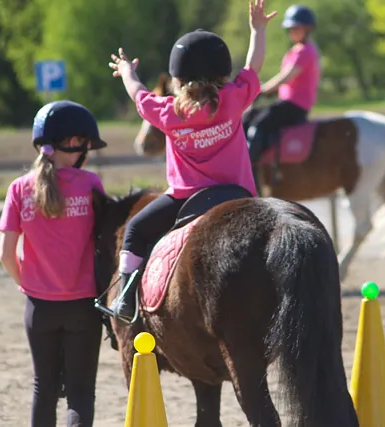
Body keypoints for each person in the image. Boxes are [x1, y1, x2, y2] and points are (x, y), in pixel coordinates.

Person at [100, 0, 278, 323]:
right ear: (221, 75)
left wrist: (127, 70)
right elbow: (254, 66)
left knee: (136, 230)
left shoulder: (168, 112)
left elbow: (138, 93)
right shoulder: (233, 100)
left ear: (177, 79)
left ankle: (126, 300)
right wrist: (258, 31)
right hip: (238, 195)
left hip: (185, 200)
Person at [0, 100, 108, 427]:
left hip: (39, 307)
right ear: (73, 142)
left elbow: (5, 254)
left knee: (42, 389)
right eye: (85, 145)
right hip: (83, 305)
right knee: (80, 394)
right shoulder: (90, 185)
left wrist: (27, 283)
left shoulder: (19, 189)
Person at [245, 4, 321, 169]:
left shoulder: (304, 51)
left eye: (297, 28)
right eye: (291, 29)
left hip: (295, 106)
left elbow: (286, 77)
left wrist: (262, 90)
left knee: (259, 123)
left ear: (307, 29)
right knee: (248, 116)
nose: (293, 32)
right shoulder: (296, 50)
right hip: (286, 102)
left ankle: (249, 167)